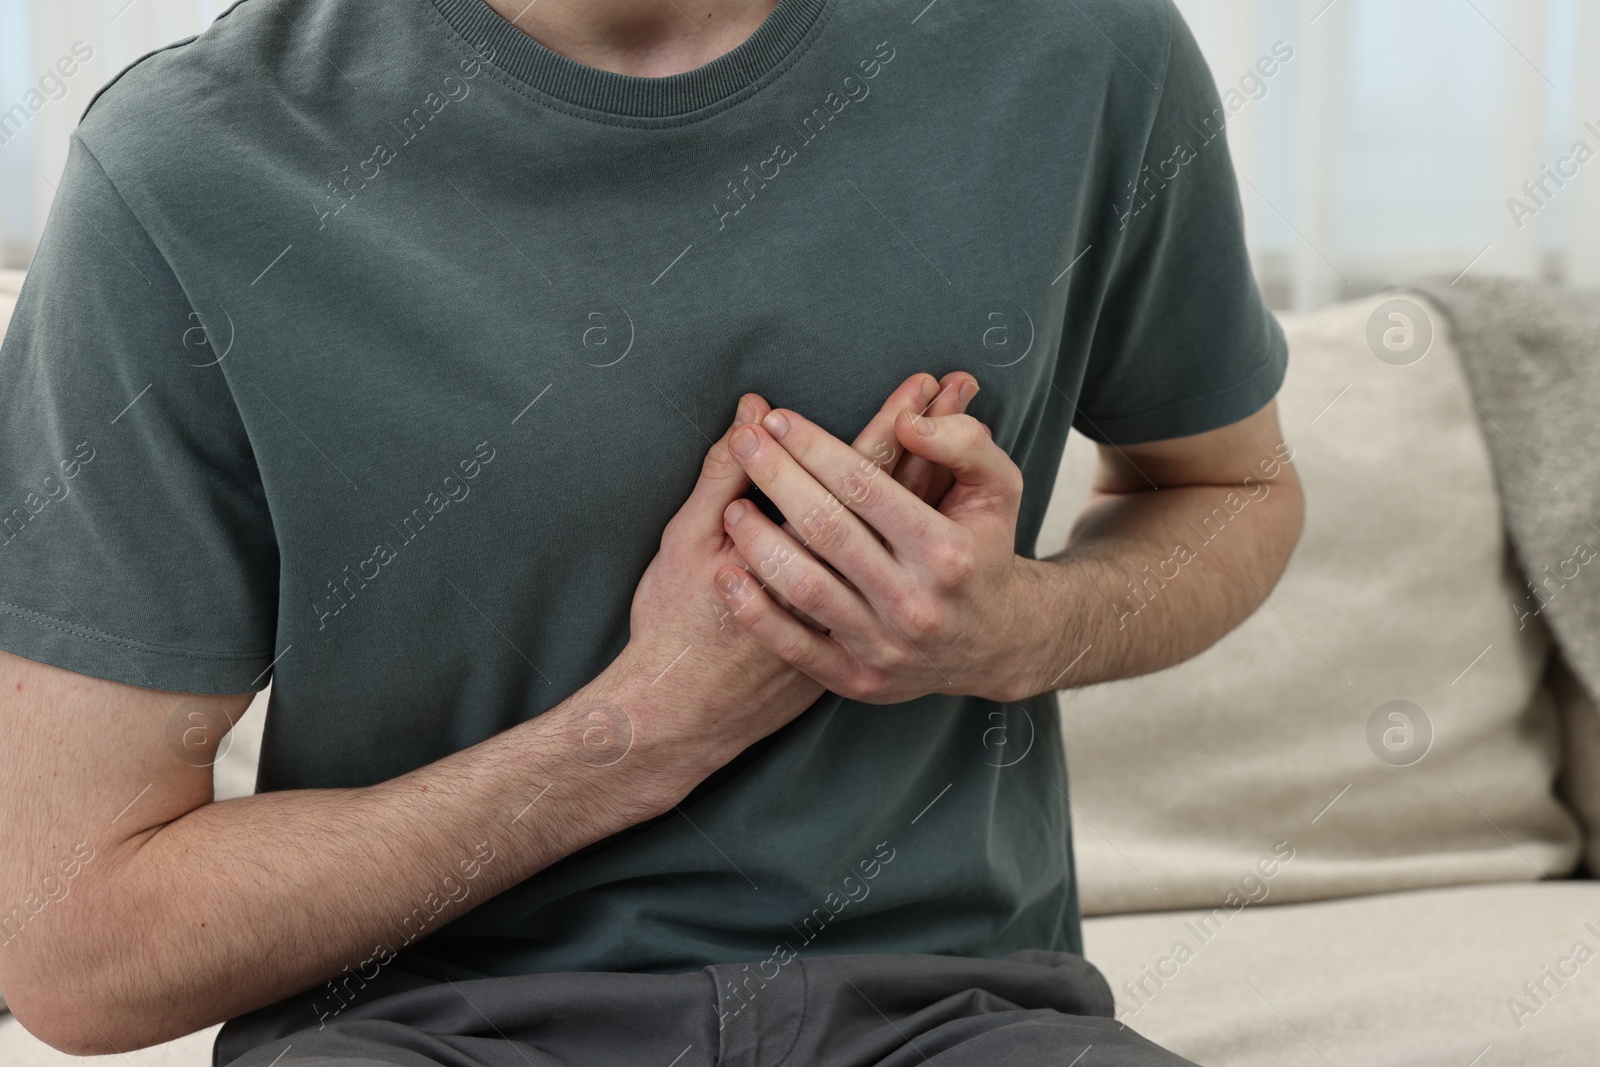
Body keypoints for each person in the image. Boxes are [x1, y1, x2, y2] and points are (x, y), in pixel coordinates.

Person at [0, 0, 1303, 1064]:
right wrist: (634, 737)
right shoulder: (191, 169)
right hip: (421, 1033)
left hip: (957, 1018)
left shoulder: (1082, 54)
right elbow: (80, 956)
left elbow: (1230, 491)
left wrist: (1018, 627)